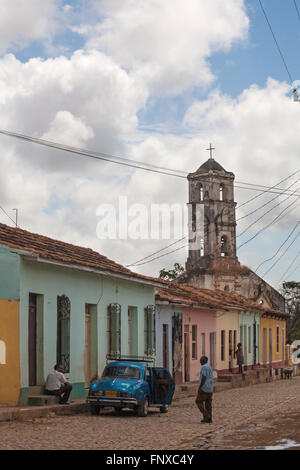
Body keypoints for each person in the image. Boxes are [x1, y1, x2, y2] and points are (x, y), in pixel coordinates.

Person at [195, 356, 214, 423]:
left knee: (198, 401)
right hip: (210, 388)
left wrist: (200, 387)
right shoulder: (210, 367)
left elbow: (204, 377)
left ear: (204, 361)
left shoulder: (204, 367)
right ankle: (209, 419)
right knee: (208, 404)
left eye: (201, 360)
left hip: (204, 388)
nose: (200, 362)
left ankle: (206, 415)